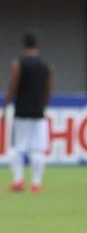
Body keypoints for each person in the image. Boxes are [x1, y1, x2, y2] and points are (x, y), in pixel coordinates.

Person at [3, 32, 53, 193]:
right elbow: (49, 89)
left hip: (22, 111)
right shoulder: (47, 66)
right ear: (37, 45)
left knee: (17, 148)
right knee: (37, 149)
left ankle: (18, 181)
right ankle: (36, 183)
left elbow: (13, 85)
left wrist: (6, 105)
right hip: (39, 112)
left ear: (24, 45)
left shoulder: (18, 63)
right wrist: (43, 106)